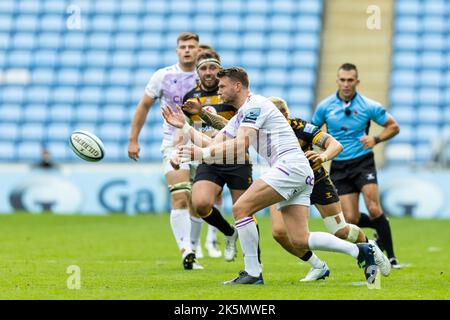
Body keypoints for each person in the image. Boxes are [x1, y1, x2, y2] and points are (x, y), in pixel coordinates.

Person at [163, 67, 390, 285]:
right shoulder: (242, 114)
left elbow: (240, 145)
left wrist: (202, 153)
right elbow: (215, 142)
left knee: (241, 208)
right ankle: (361, 249)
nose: (218, 91)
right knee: (299, 239)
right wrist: (184, 128)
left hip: (289, 166)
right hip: (296, 170)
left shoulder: (255, 105)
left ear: (238, 86)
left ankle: (252, 272)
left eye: (222, 86)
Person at [268, 97, 390, 281]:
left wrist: (323, 157)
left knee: (340, 230)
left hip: (315, 180)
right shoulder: (263, 130)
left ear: (285, 115)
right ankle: (318, 266)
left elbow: (335, 144)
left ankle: (369, 246)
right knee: (279, 232)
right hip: (285, 182)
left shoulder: (301, 128)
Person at [312, 63, 401, 268]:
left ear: (357, 82)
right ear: (337, 81)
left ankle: (393, 257)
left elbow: (393, 127)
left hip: (363, 162)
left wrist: (376, 139)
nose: (346, 84)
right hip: (340, 165)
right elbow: (313, 131)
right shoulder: (325, 107)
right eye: (342, 80)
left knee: (373, 207)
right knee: (350, 217)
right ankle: (379, 229)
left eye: (350, 80)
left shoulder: (368, 105)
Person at [128, 32, 202, 270]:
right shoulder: (163, 75)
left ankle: (198, 244)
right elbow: (144, 106)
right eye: (183, 47)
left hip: (205, 143)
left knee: (201, 203)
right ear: (177, 51)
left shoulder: (208, 76)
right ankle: (186, 251)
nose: (188, 50)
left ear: (199, 50)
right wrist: (133, 140)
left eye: (192, 46)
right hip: (174, 144)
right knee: (180, 195)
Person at [181, 51, 245, 262]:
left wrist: (220, 135)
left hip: (235, 157)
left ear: (219, 69)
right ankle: (228, 232)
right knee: (200, 204)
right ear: (197, 71)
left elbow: (243, 126)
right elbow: (188, 127)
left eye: (212, 68)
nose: (208, 72)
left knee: (244, 211)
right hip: (208, 157)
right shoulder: (190, 96)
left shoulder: (231, 93)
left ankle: (253, 264)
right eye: (203, 68)